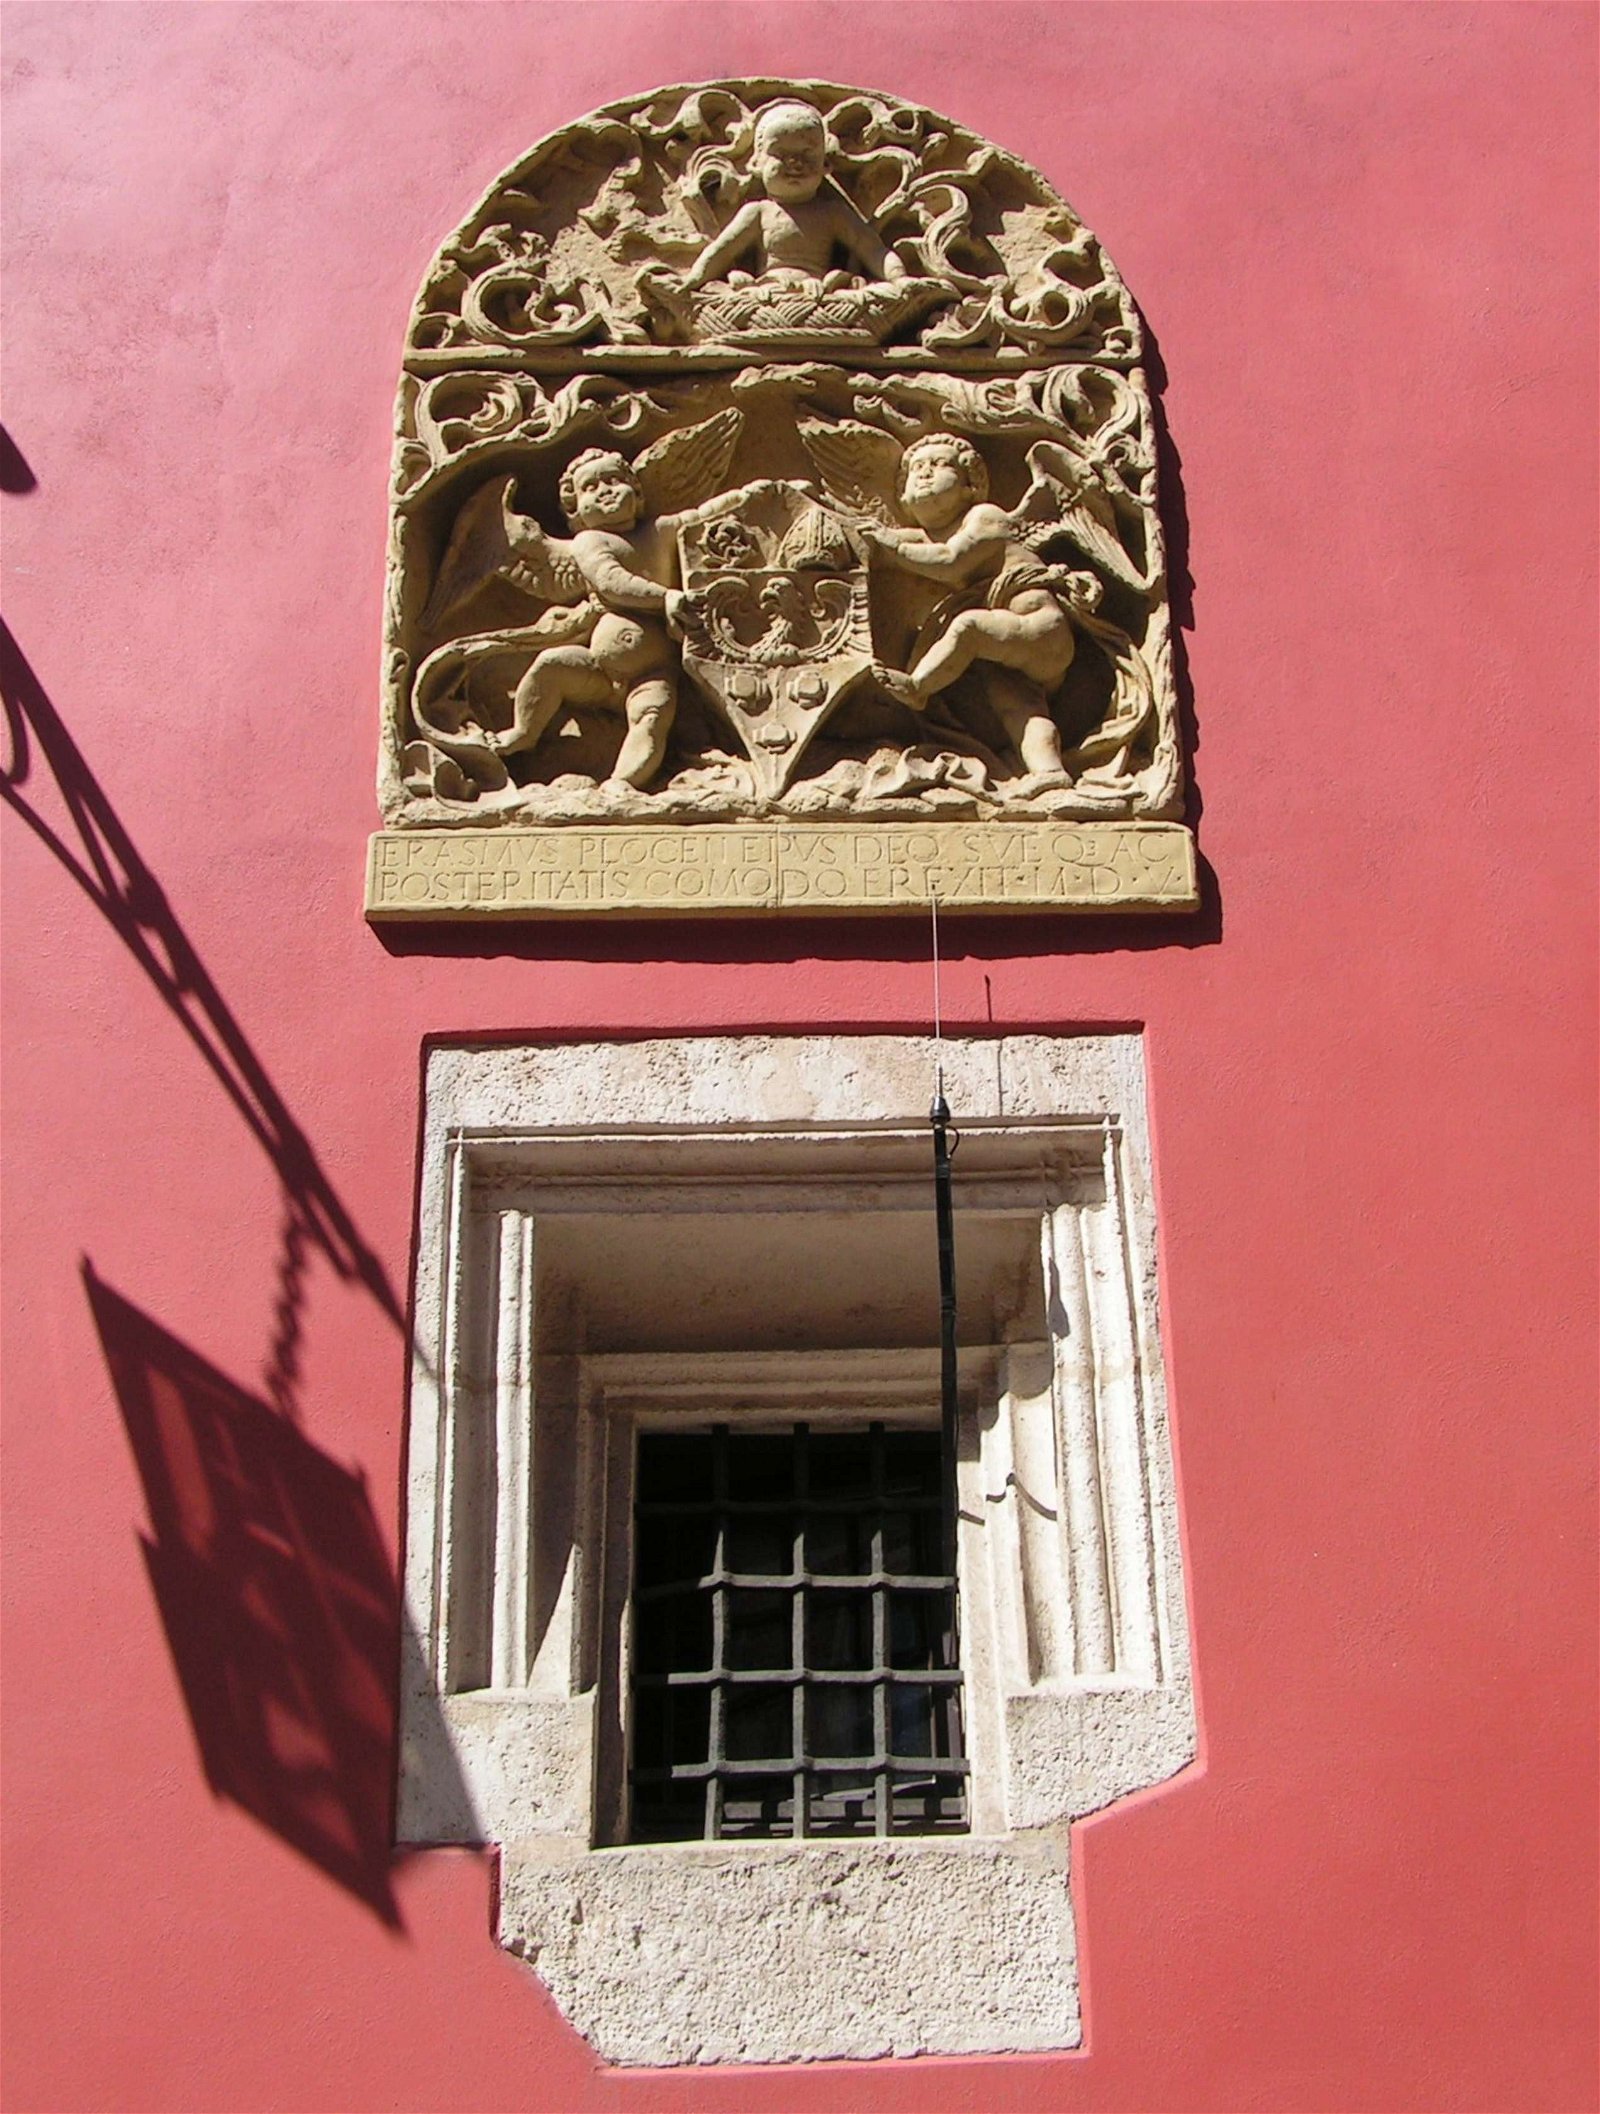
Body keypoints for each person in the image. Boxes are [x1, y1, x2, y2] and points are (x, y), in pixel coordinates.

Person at [866, 434, 1097, 783]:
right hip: (1009, 647)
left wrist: (890, 548)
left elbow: (949, 561)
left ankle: (917, 688)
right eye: (916, 468)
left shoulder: (986, 517)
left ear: (970, 487)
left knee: (968, 627)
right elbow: (896, 544)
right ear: (902, 495)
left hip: (1039, 625)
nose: (925, 473)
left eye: (940, 464)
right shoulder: (926, 537)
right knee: (1019, 709)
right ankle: (1050, 773)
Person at [491, 449, 697, 790]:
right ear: (575, 511)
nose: (605, 490)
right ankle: (523, 734)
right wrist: (666, 597)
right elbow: (610, 581)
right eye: (591, 486)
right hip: (596, 672)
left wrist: (755, 493)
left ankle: (621, 785)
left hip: (652, 673)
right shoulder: (588, 541)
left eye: (614, 481)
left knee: (652, 718)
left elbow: (704, 514)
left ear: (638, 493)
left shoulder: (661, 531)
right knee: (551, 665)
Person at [683, 100, 905, 290]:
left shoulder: (833, 214)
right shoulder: (758, 212)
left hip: (821, 291)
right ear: (756, 164)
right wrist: (694, 279)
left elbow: (874, 250)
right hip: (770, 290)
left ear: (826, 165)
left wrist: (899, 278)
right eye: (780, 154)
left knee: (846, 285)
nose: (796, 164)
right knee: (739, 286)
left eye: (808, 154)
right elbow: (722, 250)